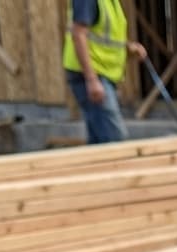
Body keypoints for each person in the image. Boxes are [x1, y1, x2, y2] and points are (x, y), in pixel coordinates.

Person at [63, 0, 146, 145]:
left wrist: (128, 47)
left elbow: (102, 35)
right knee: (114, 139)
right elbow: (79, 34)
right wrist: (91, 80)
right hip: (92, 74)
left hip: (102, 74)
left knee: (99, 141)